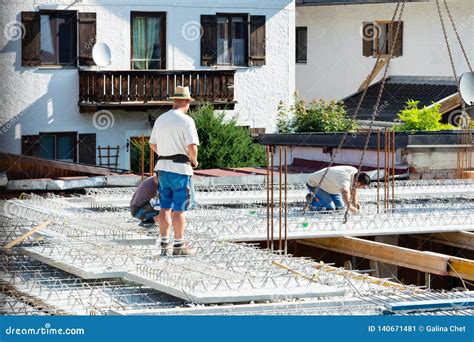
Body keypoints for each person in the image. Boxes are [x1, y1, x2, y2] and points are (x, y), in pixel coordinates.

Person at [149, 86, 199, 256]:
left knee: (164, 207)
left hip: (162, 168)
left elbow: (153, 144)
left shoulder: (161, 119)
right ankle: (179, 246)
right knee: (179, 208)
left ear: (174, 101)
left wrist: (164, 154)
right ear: (186, 102)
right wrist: (194, 160)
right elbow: (192, 147)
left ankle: (164, 244)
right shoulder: (187, 121)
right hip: (180, 169)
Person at [306, 166, 371, 213]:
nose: (362, 188)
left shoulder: (355, 173)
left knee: (340, 208)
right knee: (330, 208)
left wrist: (355, 202)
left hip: (331, 186)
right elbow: (345, 192)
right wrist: (350, 207)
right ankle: (312, 202)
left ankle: (323, 199)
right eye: (363, 187)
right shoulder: (344, 179)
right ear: (358, 183)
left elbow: (355, 188)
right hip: (315, 184)